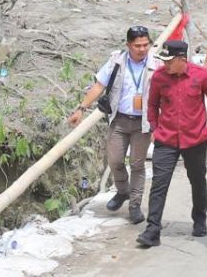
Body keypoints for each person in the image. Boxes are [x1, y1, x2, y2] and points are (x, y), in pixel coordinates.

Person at [68, 25, 161, 225]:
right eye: (138, 46)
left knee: (137, 164)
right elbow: (99, 86)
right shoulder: (116, 61)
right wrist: (81, 108)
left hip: (143, 123)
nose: (142, 49)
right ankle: (123, 191)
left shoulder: (156, 64)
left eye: (146, 45)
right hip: (119, 120)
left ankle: (134, 205)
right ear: (128, 45)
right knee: (115, 161)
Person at [137, 40, 207, 248]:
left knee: (197, 181)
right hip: (166, 139)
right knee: (159, 184)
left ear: (182, 59)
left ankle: (199, 219)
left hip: (195, 140)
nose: (165, 65)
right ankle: (152, 229)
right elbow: (152, 105)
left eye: (169, 61)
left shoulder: (201, 75)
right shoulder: (159, 77)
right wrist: (155, 128)